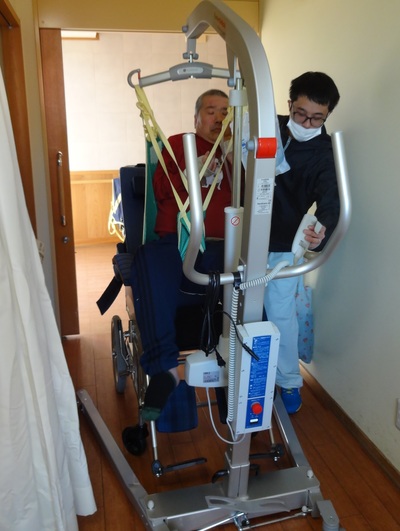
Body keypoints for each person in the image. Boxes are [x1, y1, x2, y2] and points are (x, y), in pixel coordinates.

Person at [130, 89, 239, 421]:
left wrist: (229, 158)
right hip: (174, 244)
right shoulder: (179, 143)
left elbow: (251, 198)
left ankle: (246, 375)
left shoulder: (236, 156)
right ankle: (165, 370)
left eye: (225, 112)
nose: (219, 118)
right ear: (196, 118)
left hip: (221, 249)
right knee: (146, 259)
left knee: (249, 274)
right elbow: (160, 189)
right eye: (211, 111)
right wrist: (195, 169)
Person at [264, 71, 341, 414]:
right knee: (236, 306)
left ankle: (289, 382)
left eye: (317, 118)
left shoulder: (325, 153)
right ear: (290, 104)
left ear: (327, 115)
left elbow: (331, 203)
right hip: (242, 234)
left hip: (283, 242)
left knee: (282, 314)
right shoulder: (269, 128)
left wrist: (321, 232)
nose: (307, 123)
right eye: (300, 114)